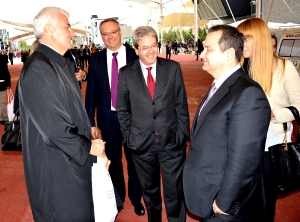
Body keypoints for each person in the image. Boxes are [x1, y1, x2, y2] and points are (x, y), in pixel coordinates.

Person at [18, 6, 110, 221]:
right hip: (56, 168)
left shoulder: (59, 63)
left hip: (69, 160)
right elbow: (54, 128)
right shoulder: (40, 67)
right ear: (49, 30)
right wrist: (91, 147)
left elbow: (65, 110)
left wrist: (87, 130)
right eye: (67, 27)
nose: (73, 32)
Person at [183, 24, 271, 222]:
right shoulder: (221, 85)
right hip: (210, 193)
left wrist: (225, 202)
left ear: (230, 54)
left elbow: (245, 159)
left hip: (224, 206)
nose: (202, 53)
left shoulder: (248, 94)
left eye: (209, 49)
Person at [117, 26, 190, 222]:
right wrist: (129, 137)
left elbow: (181, 104)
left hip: (171, 142)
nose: (151, 51)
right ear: (136, 49)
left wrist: (182, 135)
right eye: (145, 47)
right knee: (150, 193)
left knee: (175, 192)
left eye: (154, 45)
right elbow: (123, 110)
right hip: (141, 144)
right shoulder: (125, 73)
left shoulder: (172, 68)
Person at [237, 18, 300, 222]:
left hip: (270, 149)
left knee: (264, 203)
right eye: (240, 39)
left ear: (261, 40)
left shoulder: (284, 67)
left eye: (246, 39)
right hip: (242, 147)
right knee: (242, 201)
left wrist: (274, 114)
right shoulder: (238, 69)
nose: (241, 44)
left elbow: (299, 106)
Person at [85, 18, 145, 216]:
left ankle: (136, 198)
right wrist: (91, 123)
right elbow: (91, 94)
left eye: (113, 32)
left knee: (135, 159)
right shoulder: (95, 60)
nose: (110, 36)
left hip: (134, 119)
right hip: (108, 119)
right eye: (105, 34)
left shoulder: (135, 56)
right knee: (113, 161)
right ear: (101, 36)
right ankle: (118, 198)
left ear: (120, 32)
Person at [0, 50, 11, 123]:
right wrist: (8, 83)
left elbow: (6, 72)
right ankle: (3, 117)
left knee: (2, 101)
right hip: (1, 83)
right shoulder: (2, 59)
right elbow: (6, 71)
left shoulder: (2, 59)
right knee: (2, 101)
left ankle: (3, 117)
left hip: (1, 83)